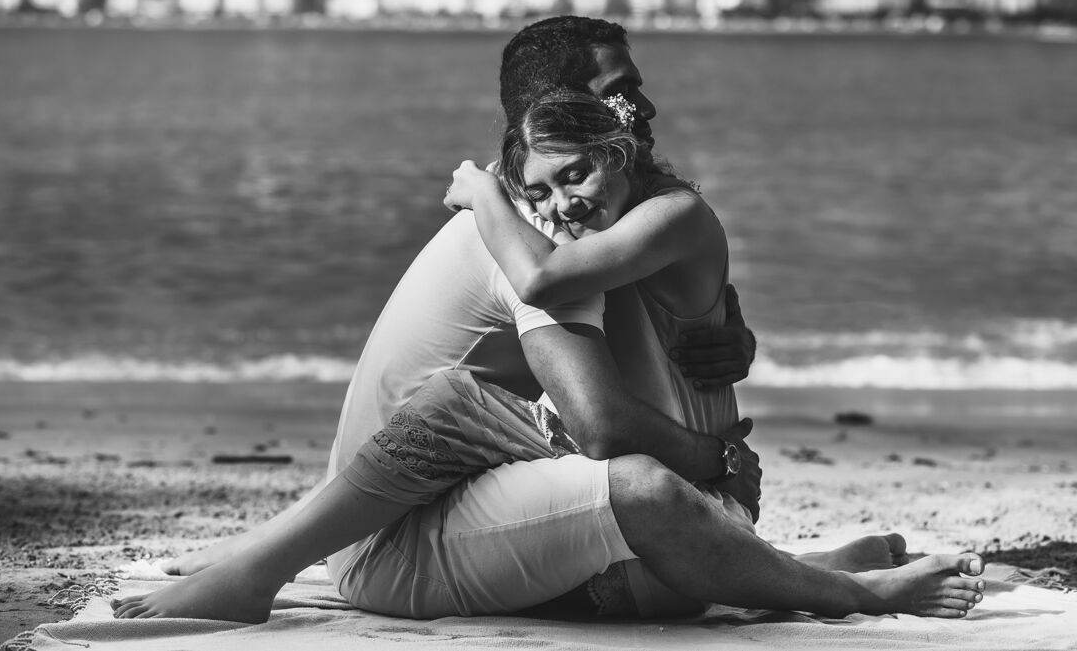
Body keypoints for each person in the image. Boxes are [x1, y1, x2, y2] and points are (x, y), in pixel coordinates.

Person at [111, 51, 985, 624]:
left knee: (546, 439)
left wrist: (730, 334)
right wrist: (714, 461)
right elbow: (603, 420)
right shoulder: (539, 241)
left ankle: (780, 569)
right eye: (614, 86)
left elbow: (676, 292)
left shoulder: (593, 239)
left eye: (630, 88)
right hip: (394, 535)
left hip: (451, 512)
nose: (640, 102)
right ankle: (828, 585)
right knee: (499, 415)